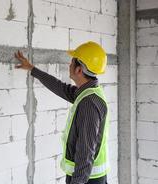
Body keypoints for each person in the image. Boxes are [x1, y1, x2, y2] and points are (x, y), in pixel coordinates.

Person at [15, 41, 109, 184]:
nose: (69, 65)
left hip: (86, 179)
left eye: (72, 62)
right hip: (87, 177)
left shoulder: (89, 103)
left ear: (79, 70)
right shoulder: (88, 92)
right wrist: (32, 69)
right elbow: (60, 88)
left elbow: (86, 149)